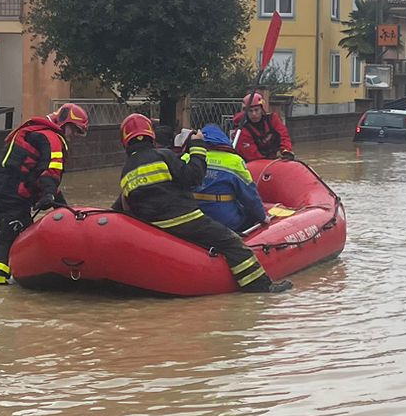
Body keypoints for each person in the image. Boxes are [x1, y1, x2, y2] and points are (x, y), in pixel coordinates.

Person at [117, 114, 288, 293]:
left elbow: (124, 204)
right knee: (233, 243)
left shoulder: (126, 170)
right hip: (184, 219)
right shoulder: (164, 155)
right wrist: (198, 148)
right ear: (151, 134)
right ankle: (261, 288)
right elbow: (193, 178)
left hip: (151, 228)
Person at [0, 101, 89, 286]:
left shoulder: (34, 132)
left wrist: (62, 205)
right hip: (11, 195)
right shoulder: (53, 138)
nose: (75, 136)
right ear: (65, 124)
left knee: (16, 230)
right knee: (11, 234)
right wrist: (48, 194)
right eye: (75, 130)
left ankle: (5, 278)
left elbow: (35, 174)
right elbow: (50, 171)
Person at [186, 123, 268, 234]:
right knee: (249, 217)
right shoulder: (234, 161)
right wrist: (262, 216)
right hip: (224, 219)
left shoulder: (187, 158)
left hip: (192, 218)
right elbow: (249, 195)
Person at [227, 90, 293, 165]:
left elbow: (284, 136)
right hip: (252, 163)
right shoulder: (242, 130)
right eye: (250, 111)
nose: (254, 114)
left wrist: (286, 151)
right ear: (245, 112)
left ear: (262, 109)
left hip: (271, 158)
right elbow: (252, 155)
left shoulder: (272, 120)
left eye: (256, 110)